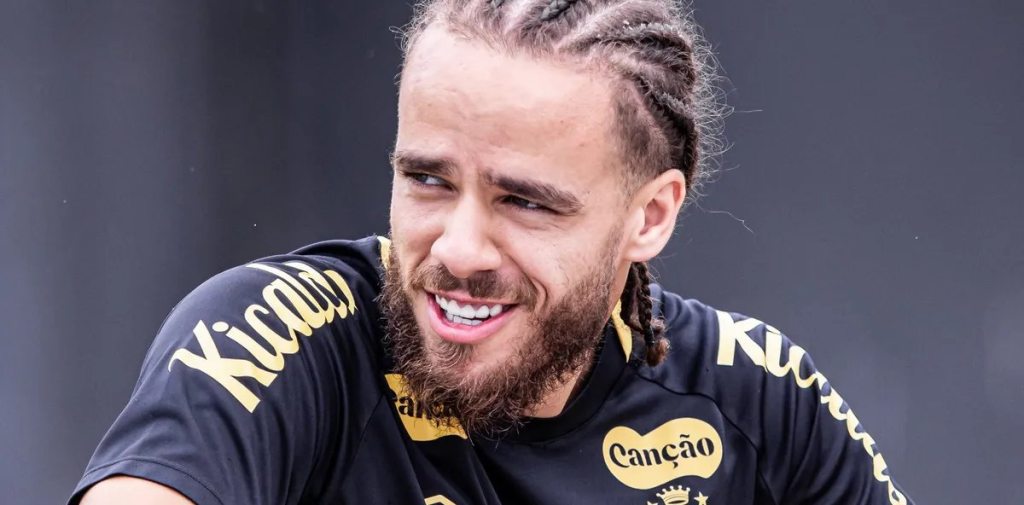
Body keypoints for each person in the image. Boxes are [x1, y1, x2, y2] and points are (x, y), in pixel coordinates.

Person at [72, 1, 914, 504]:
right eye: (428, 180)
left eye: (525, 201)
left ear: (650, 216)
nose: (460, 248)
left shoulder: (757, 400)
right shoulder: (283, 337)